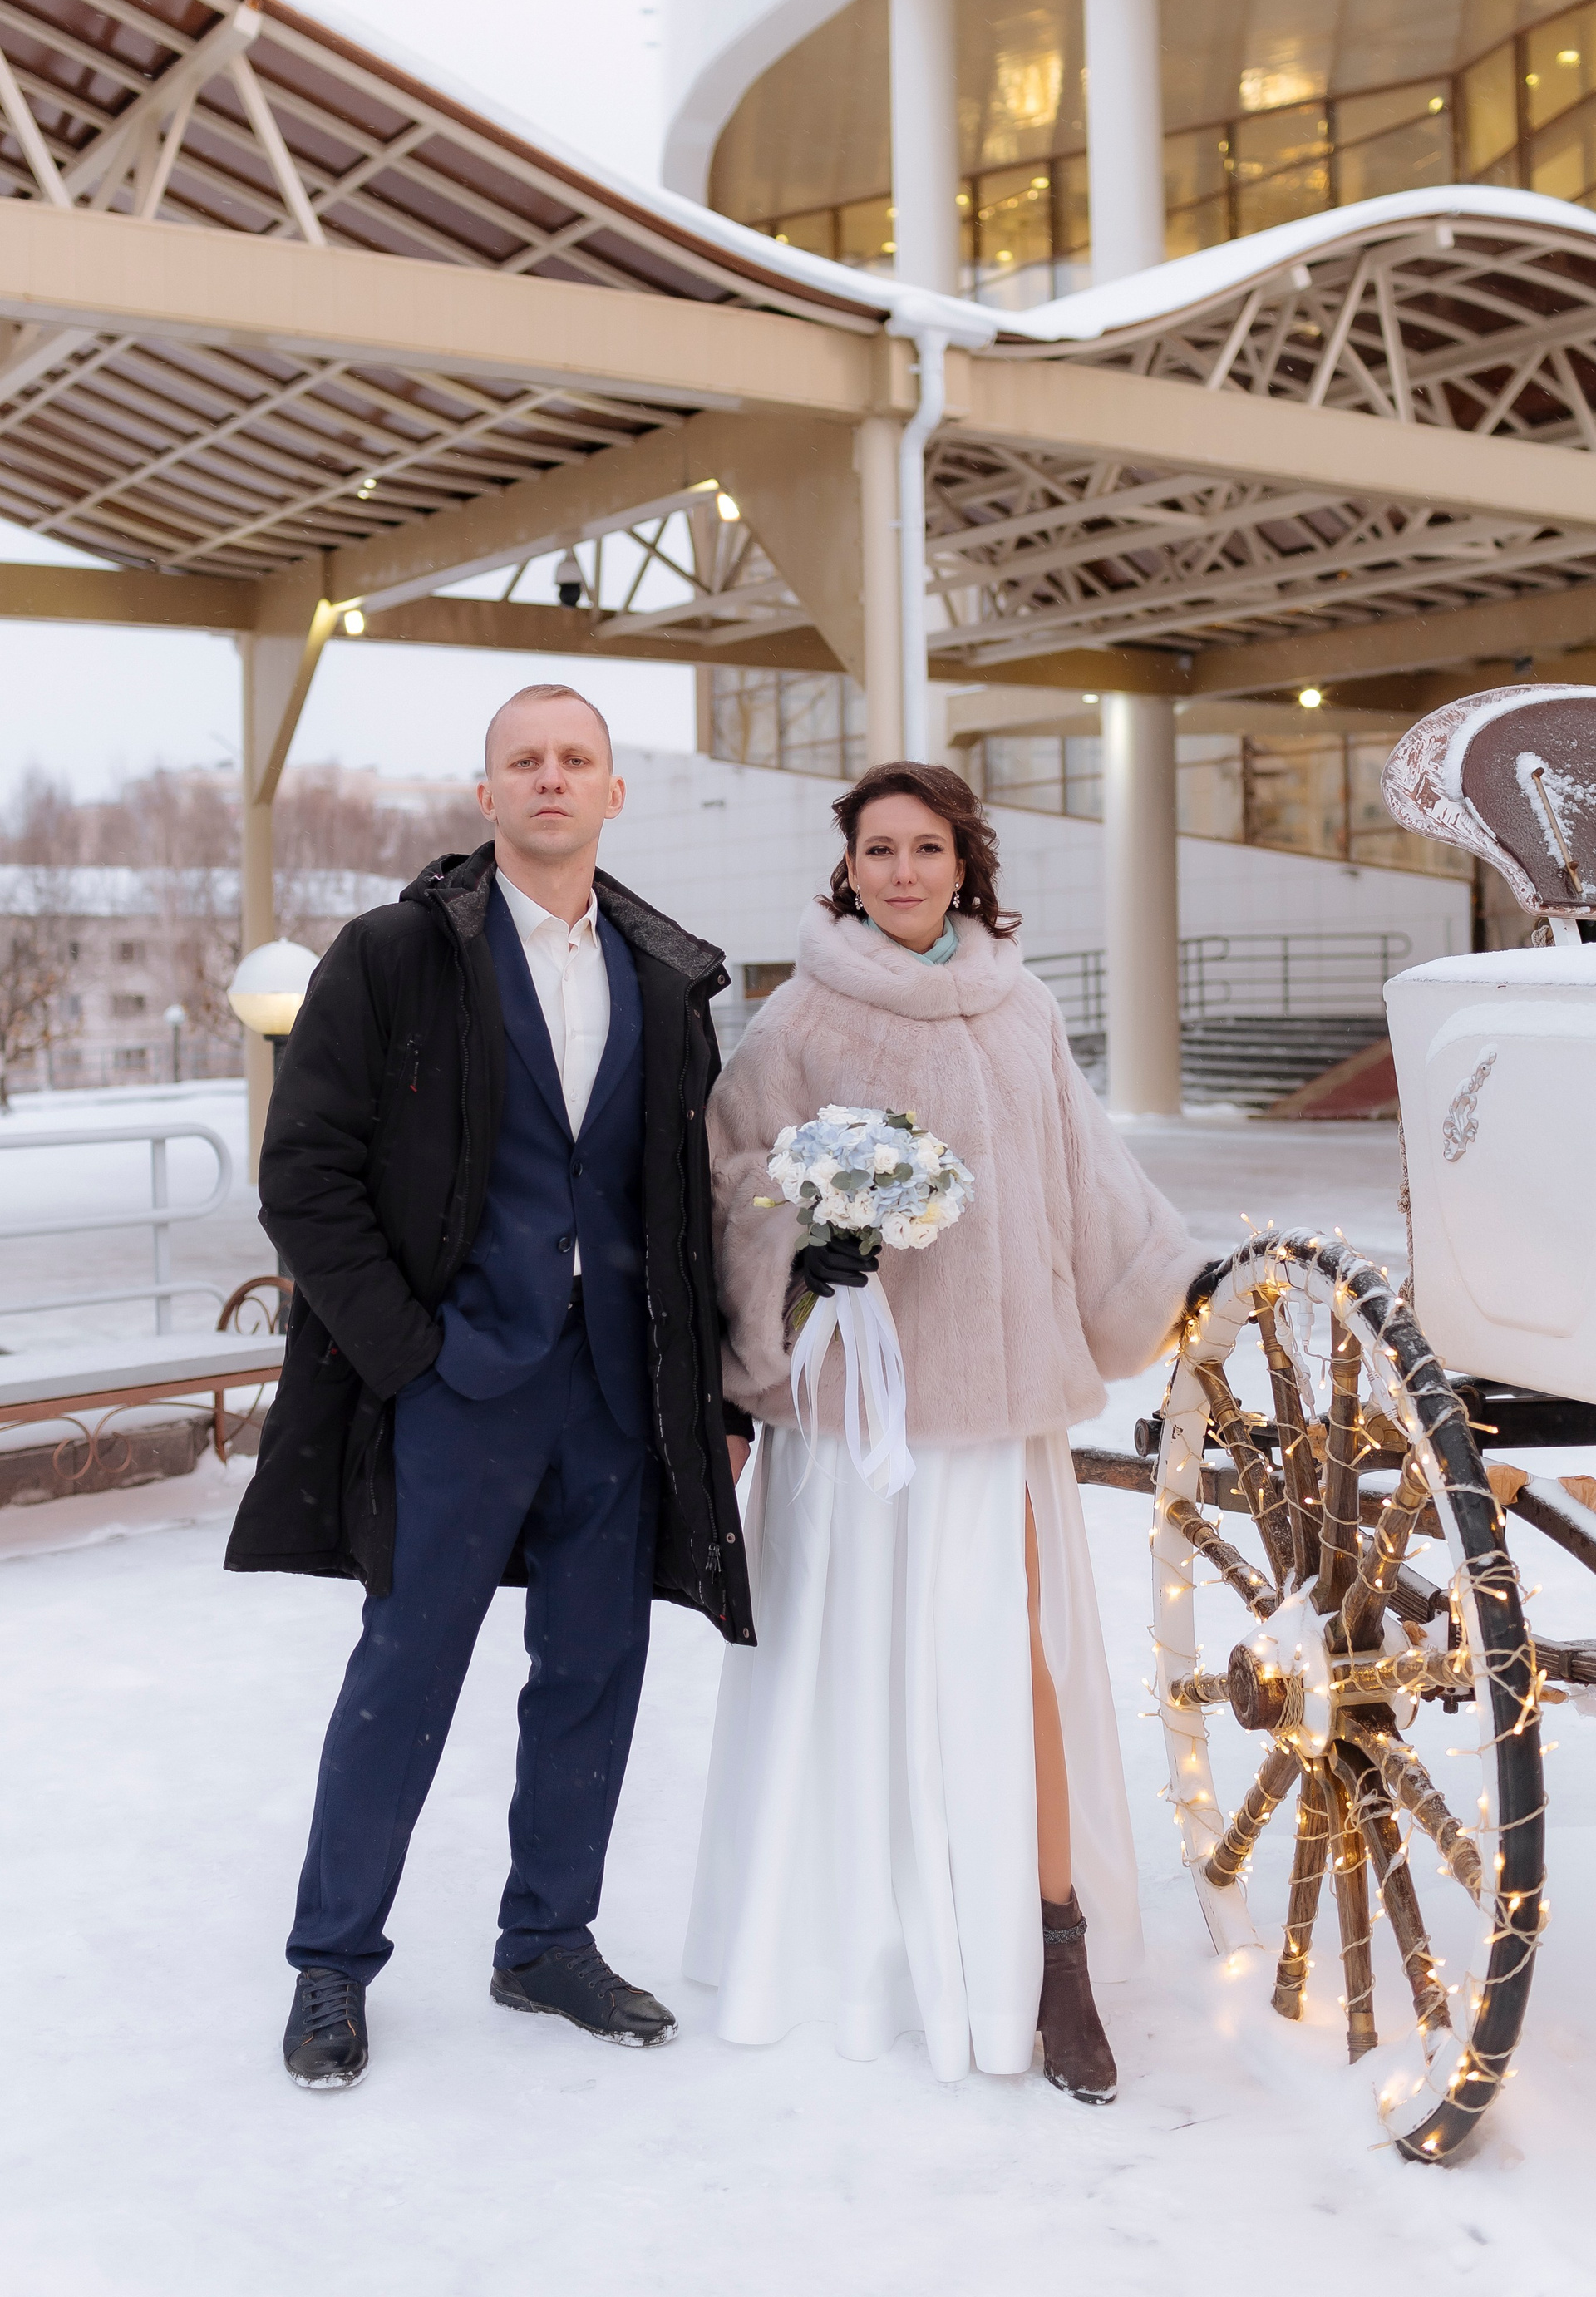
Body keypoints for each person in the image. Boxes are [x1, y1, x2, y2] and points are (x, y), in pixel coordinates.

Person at [225, 683, 754, 2092]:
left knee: (594, 1669)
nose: (550, 777)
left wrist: (716, 1396)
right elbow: (305, 1175)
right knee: (405, 1669)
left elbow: (692, 1203)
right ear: (487, 793)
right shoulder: (397, 953)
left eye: (576, 758)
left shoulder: (663, 973)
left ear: (613, 792)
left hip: (616, 1388)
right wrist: (409, 1352)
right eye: (525, 759)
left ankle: (548, 1939)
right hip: (457, 1382)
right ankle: (333, 1961)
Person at [687, 761, 1205, 2101]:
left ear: (963, 863)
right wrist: (805, 1249)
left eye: (927, 847)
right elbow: (733, 1177)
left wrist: (1166, 1279)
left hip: (998, 1406)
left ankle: (1052, 1947)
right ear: (848, 869)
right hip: (860, 1412)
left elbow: (1084, 1168)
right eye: (880, 849)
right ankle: (862, 1939)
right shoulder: (799, 1016)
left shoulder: (1019, 1004)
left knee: (1009, 1665)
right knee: (857, 1663)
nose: (904, 870)